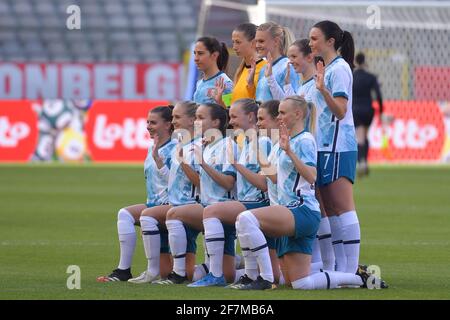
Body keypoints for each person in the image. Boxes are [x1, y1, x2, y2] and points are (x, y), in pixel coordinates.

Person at [235, 96, 383, 290]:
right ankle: (360, 278)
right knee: (298, 283)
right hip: (287, 211)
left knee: (245, 218)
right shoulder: (282, 142)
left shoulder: (305, 140)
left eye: (282, 113)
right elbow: (272, 180)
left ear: (297, 114)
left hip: (301, 209)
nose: (278, 117)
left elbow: (312, 176)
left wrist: (290, 153)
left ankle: (264, 279)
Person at [187, 99, 279, 288]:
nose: (231, 122)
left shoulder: (262, 142)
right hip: (248, 203)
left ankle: (215, 274)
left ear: (251, 117)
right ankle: (242, 274)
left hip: (261, 204)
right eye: (230, 117)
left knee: (212, 211)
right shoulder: (247, 143)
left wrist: (236, 165)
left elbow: (264, 185)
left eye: (235, 117)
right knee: (283, 277)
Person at [158, 103, 239, 285]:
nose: (196, 122)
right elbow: (204, 184)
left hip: (222, 208)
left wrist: (201, 163)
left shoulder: (227, 144)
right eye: (196, 118)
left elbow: (228, 183)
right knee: (226, 276)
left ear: (216, 122)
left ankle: (179, 274)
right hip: (209, 208)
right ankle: (236, 266)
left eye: (201, 118)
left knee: (173, 214)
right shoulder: (207, 146)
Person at [127, 101, 207, 284]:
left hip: (190, 206)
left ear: (192, 120)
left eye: (177, 118)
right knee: (190, 275)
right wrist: (158, 160)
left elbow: (202, 184)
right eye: (173, 118)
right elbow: (172, 180)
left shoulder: (198, 145)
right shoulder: (182, 144)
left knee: (148, 216)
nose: (173, 122)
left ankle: (163, 273)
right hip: (177, 205)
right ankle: (229, 264)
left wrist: (184, 161)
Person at [96, 106, 176, 282]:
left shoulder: (175, 148)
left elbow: (176, 182)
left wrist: (159, 162)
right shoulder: (152, 147)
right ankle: (123, 270)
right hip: (153, 205)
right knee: (124, 214)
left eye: (153, 122)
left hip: (171, 207)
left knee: (177, 273)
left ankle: (152, 271)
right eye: (147, 122)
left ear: (168, 124)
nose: (148, 126)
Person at [309, 20, 360, 274]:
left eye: (315, 38)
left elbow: (340, 111)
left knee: (342, 206)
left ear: (331, 42)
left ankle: (349, 271)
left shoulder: (339, 69)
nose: (310, 43)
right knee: (328, 208)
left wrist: (323, 90)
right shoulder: (325, 67)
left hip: (339, 146)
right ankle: (336, 267)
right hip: (324, 146)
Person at [353, 52, 384, 177]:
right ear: (365, 61)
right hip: (368, 110)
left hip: (356, 109)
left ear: (355, 61)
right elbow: (378, 95)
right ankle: (365, 161)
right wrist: (381, 111)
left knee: (359, 137)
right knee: (365, 135)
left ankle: (362, 162)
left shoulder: (352, 76)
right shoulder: (371, 77)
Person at [255, 22, 299, 102]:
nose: (257, 45)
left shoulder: (288, 66)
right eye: (256, 41)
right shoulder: (263, 69)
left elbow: (291, 104)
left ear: (276, 41)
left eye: (261, 41)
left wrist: (270, 78)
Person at [229, 23, 267, 103]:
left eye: (238, 42)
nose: (234, 47)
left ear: (253, 43)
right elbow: (233, 102)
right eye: (233, 42)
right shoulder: (240, 70)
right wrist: (220, 99)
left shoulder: (265, 69)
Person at [193, 36, 233, 107]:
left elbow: (230, 113)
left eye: (200, 53)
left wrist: (220, 102)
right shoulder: (199, 83)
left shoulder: (226, 83)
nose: (196, 58)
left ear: (214, 55)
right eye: (194, 53)